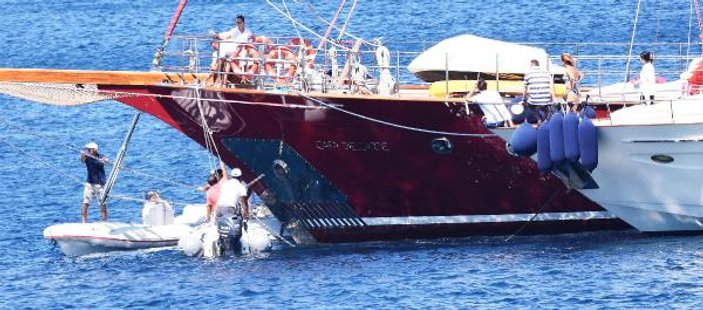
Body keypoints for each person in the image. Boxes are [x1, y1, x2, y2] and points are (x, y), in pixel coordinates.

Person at [207, 15, 255, 86]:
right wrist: (216, 36)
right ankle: (219, 78)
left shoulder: (248, 32)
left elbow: (252, 40)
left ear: (243, 23)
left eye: (239, 22)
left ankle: (225, 78)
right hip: (234, 51)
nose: (237, 24)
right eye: (236, 23)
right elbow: (226, 35)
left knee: (227, 55)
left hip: (242, 51)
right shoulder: (234, 30)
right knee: (225, 56)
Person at [80, 142, 108, 223]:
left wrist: (104, 160)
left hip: (100, 184)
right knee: (86, 202)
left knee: (102, 204)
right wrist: (82, 155)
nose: (88, 150)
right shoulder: (87, 157)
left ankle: (104, 222)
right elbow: (82, 160)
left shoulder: (101, 156)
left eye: (89, 149)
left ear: (94, 150)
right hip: (90, 183)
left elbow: (104, 161)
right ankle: (84, 222)